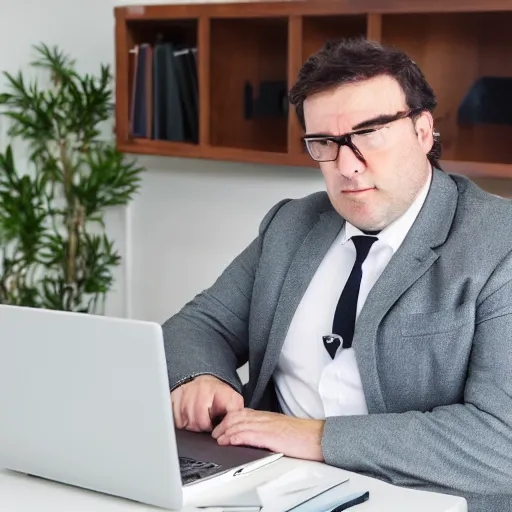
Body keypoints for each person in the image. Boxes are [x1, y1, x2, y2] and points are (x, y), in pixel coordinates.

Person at [163, 38, 512, 512]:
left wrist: (319, 438)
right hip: (265, 482)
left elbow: (500, 443)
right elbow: (200, 324)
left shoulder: (499, 244)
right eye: (325, 143)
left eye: (369, 133)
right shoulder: (291, 223)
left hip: (414, 498)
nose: (347, 166)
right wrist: (202, 376)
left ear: (423, 131)